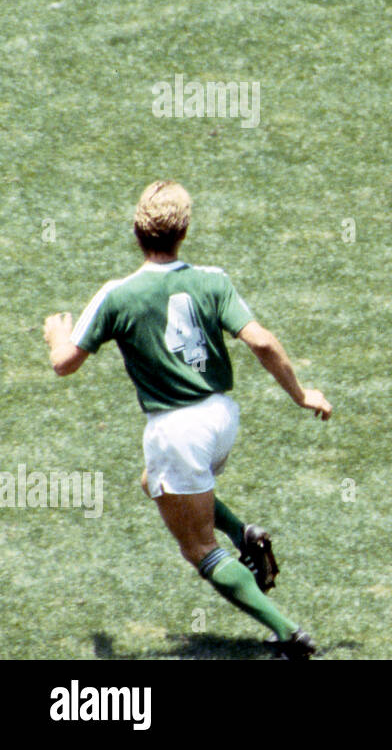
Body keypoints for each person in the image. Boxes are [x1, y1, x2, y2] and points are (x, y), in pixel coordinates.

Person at [43, 181, 331, 659]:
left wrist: (56, 334)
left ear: (136, 232)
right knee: (151, 482)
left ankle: (290, 636)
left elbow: (65, 363)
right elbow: (261, 342)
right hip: (221, 418)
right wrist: (301, 395)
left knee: (199, 550)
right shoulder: (213, 280)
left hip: (175, 431)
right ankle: (244, 534)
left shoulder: (118, 295)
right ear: (184, 232)